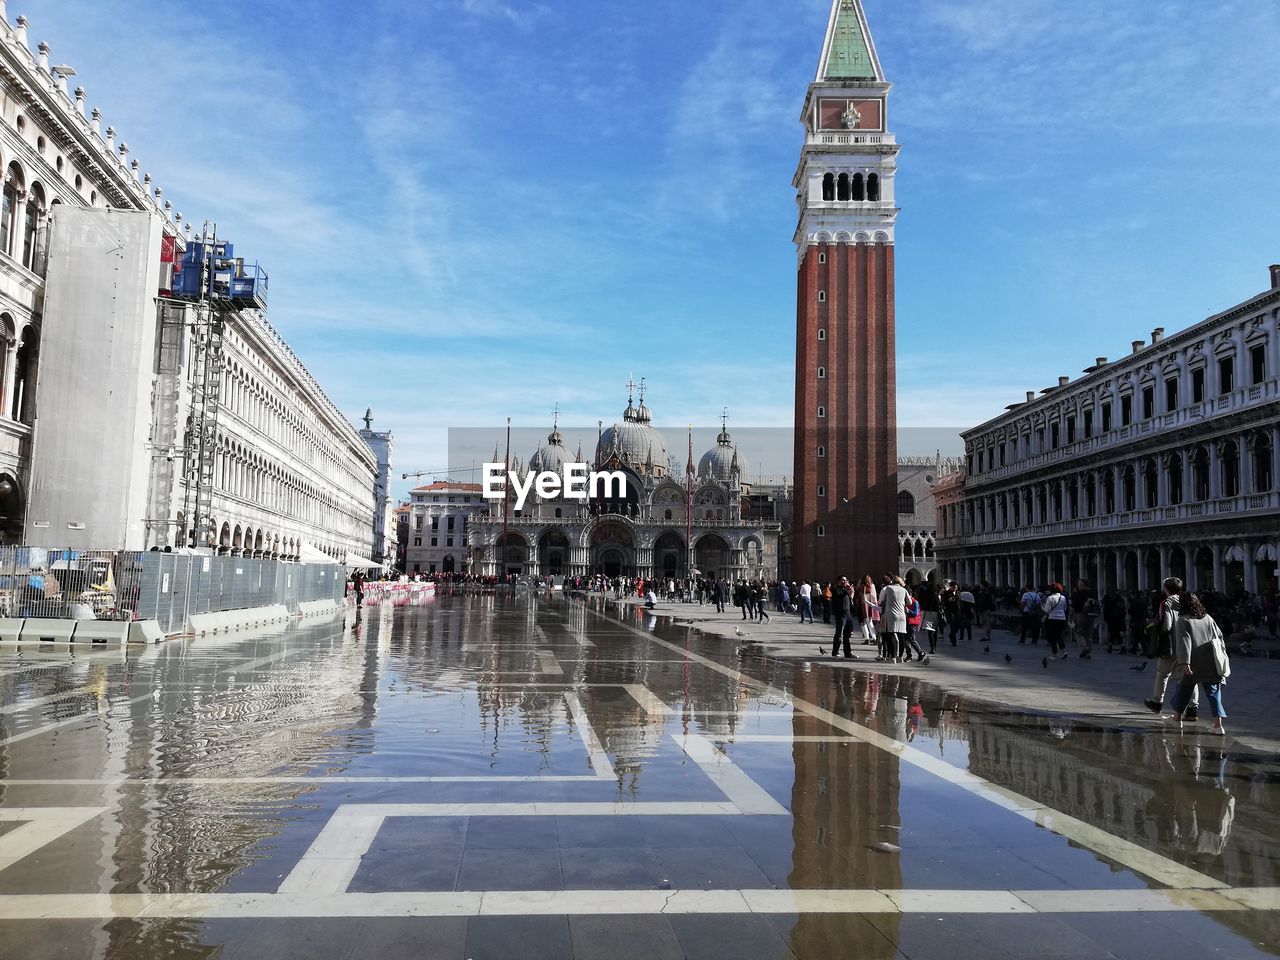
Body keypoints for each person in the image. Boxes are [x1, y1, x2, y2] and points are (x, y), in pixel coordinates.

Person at [1167, 593, 1229, 736]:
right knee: (1213, 693)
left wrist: (1185, 663)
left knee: (1184, 688)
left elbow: (1184, 643)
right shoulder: (1208, 618)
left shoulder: (1183, 620)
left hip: (1193, 662)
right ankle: (1218, 725)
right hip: (1210, 662)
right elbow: (1219, 637)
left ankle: (1177, 718)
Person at [1145, 578, 1199, 720]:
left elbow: (1166, 625)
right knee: (1189, 675)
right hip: (1188, 644)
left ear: (1166, 589)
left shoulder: (1166, 603)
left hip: (1171, 645)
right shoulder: (1188, 600)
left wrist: (1154, 628)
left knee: (1162, 673)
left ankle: (1157, 701)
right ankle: (1193, 708)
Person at [878, 575, 911, 664]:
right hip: (901, 615)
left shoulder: (888, 588)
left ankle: (892, 657)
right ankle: (900, 657)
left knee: (891, 635)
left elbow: (882, 600)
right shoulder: (904, 590)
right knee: (901, 636)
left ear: (892, 581)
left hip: (891, 615)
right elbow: (910, 602)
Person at [1071, 579, 1099, 659]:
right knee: (1088, 634)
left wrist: (1071, 615)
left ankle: (1084, 648)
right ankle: (1087, 653)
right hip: (1091, 615)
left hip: (1080, 614)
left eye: (1079, 584)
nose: (1078, 585)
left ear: (1083, 585)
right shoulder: (1093, 593)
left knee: (1078, 632)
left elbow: (1074, 605)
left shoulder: (1079, 593)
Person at [1041, 582, 1069, 659]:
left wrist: (1042, 607)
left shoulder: (1050, 598)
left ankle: (1055, 654)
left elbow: (1047, 610)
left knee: (1052, 637)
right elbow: (1065, 608)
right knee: (1058, 635)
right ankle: (1064, 650)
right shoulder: (1063, 598)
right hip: (1062, 619)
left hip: (1052, 619)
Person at [832, 578, 856, 659]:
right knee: (839, 634)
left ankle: (848, 653)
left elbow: (850, 600)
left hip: (848, 614)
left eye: (846, 580)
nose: (844, 582)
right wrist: (847, 590)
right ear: (839, 581)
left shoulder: (846, 590)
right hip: (840, 615)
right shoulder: (835, 589)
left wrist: (851, 592)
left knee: (847, 635)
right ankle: (835, 652)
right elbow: (839, 596)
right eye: (843, 580)